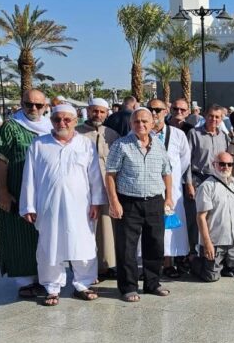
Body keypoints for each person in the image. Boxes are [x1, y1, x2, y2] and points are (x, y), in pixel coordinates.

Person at [19, 105, 106, 305]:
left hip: (81, 206)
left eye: (67, 119)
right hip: (48, 206)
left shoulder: (85, 144)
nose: (62, 123)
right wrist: (28, 206)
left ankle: (83, 284)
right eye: (57, 119)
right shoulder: (39, 144)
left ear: (75, 121)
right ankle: (52, 287)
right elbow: (29, 177)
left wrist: (96, 202)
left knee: (83, 244)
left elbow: (94, 175)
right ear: (51, 121)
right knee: (49, 246)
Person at [105, 107, 174, 302]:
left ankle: (153, 283)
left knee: (155, 244)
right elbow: (110, 175)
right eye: (136, 121)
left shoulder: (159, 145)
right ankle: (128, 287)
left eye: (145, 121)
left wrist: (169, 197)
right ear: (131, 124)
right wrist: (114, 201)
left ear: (152, 123)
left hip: (154, 201)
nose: (141, 125)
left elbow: (167, 172)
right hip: (129, 202)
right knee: (127, 247)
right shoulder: (121, 145)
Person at [0, 89, 52, 298]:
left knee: (42, 235)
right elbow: (0, 161)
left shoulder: (50, 126)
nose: (33, 108)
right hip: (18, 191)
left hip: (44, 193)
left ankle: (45, 277)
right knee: (20, 235)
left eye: (38, 105)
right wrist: (2, 191)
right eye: (28, 104)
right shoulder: (11, 126)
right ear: (22, 104)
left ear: (45, 106)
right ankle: (25, 281)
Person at [75, 98, 120, 277]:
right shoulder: (76, 133)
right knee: (85, 228)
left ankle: (107, 265)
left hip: (107, 188)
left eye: (102, 112)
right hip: (83, 189)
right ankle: (86, 269)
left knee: (107, 228)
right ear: (88, 111)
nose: (98, 115)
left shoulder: (112, 134)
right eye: (94, 111)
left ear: (107, 113)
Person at [148, 98, 191, 278]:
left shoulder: (177, 135)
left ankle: (168, 263)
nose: (154, 113)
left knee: (170, 227)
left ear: (166, 111)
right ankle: (149, 265)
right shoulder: (140, 132)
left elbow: (184, 160)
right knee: (148, 225)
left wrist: (171, 178)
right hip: (147, 186)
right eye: (151, 109)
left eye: (158, 110)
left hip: (171, 187)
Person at [191, 151, 234, 281]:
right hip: (216, 241)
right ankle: (196, 261)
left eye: (229, 164)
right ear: (214, 165)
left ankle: (224, 265)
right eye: (222, 164)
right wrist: (207, 244)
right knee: (211, 277)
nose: (226, 167)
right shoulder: (206, 186)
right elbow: (201, 217)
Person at [186, 105, 232, 251]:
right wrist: (189, 184)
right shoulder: (194, 134)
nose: (214, 119)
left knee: (214, 216)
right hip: (199, 180)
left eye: (217, 117)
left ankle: (212, 247)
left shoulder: (224, 136)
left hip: (217, 181)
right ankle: (193, 251)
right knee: (197, 216)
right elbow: (187, 161)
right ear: (205, 116)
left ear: (221, 119)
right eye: (211, 116)